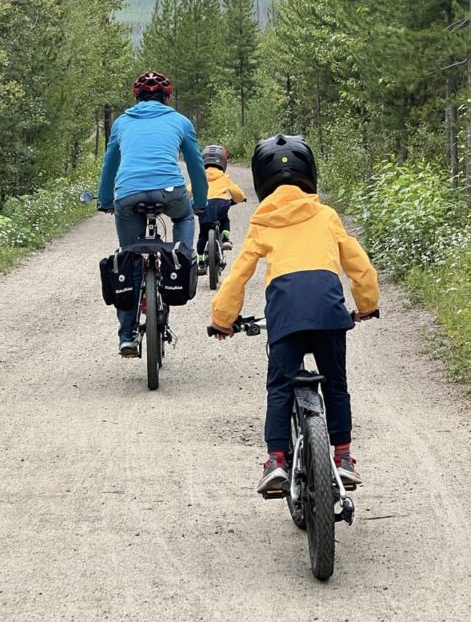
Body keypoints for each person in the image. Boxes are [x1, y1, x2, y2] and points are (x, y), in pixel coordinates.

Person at [209, 134, 379, 495]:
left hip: (285, 314)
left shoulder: (263, 221)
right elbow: (359, 265)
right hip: (329, 311)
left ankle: (275, 462)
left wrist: (223, 319)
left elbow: (239, 274)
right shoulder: (326, 216)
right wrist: (366, 305)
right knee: (336, 386)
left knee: (280, 388)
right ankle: (343, 458)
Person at [98, 71, 208, 357]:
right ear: (167, 98)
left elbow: (110, 165)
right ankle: (181, 258)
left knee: (130, 257)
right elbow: (196, 165)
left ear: (137, 98)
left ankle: (127, 335)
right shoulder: (181, 121)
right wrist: (200, 202)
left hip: (128, 195)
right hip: (170, 192)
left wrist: (105, 200)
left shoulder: (122, 123)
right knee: (184, 217)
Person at [195, 144, 246, 276]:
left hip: (203, 206)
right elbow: (236, 192)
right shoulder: (224, 177)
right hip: (220, 205)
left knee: (202, 235)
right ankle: (225, 239)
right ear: (223, 162)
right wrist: (240, 199)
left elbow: (190, 190)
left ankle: (201, 260)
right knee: (224, 220)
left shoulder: (200, 176)